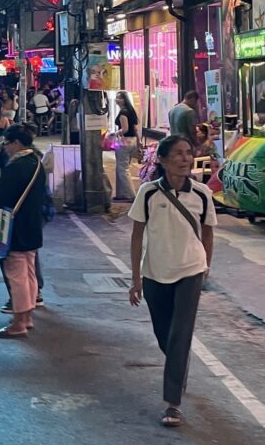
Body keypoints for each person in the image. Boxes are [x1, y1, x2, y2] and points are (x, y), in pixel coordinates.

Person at [129, 135, 216, 428]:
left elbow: (208, 233)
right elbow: (137, 235)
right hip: (155, 272)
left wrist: (205, 267)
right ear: (163, 160)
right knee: (164, 334)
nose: (185, 159)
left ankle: (172, 403)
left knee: (180, 335)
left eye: (188, 153)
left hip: (190, 270)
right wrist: (135, 278)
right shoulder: (148, 193)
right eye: (177, 154)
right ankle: (178, 367)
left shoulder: (202, 194)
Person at [0, 125, 46, 338]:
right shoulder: (36, 162)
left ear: (16, 143)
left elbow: (1, 199)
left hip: (16, 228)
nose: (5, 148)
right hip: (33, 225)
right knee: (29, 273)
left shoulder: (16, 166)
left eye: (7, 143)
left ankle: (18, 323)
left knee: (16, 276)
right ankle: (27, 317)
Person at [114, 91, 140, 201]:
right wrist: (138, 143)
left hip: (124, 142)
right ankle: (121, 194)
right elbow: (135, 129)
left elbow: (125, 129)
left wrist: (114, 133)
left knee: (122, 169)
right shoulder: (131, 111)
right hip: (132, 140)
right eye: (117, 97)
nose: (117, 100)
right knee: (122, 167)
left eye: (119, 98)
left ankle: (131, 194)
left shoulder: (123, 113)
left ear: (124, 100)